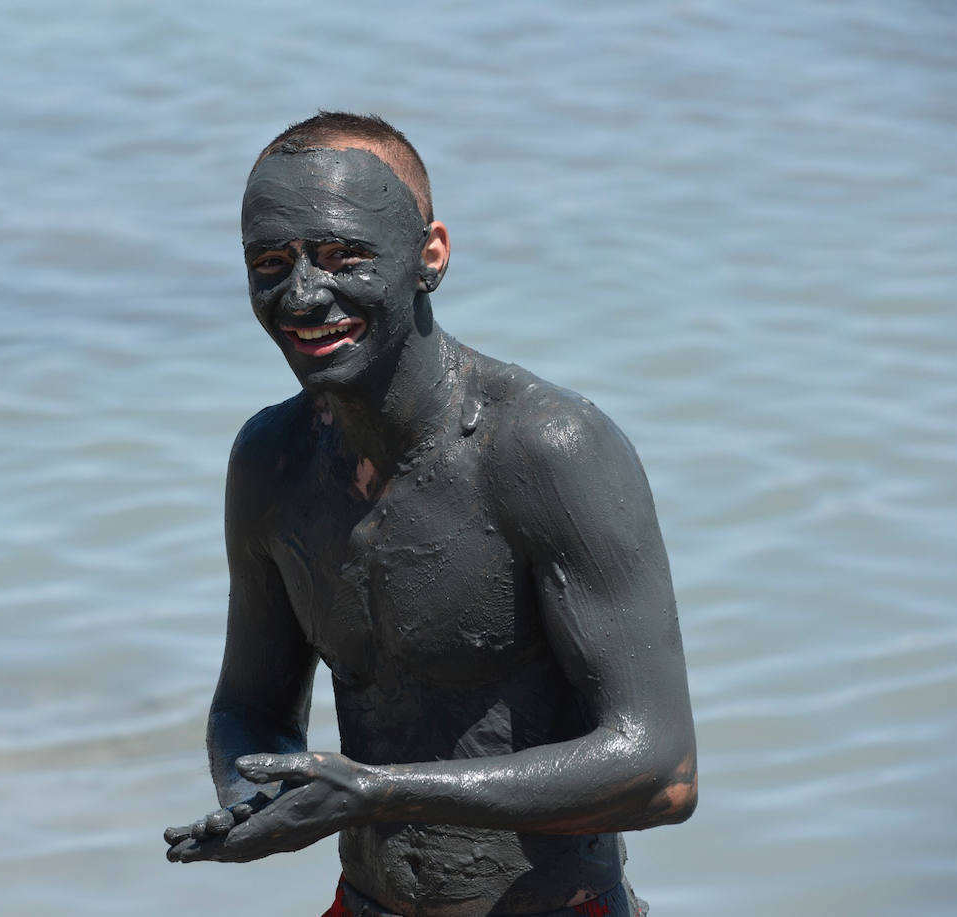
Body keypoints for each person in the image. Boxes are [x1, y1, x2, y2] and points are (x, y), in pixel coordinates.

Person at [163, 112, 697, 917]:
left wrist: (378, 794)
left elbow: (660, 771)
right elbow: (252, 705)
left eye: (345, 256)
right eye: (271, 263)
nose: (303, 295)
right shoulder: (270, 461)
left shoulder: (547, 448)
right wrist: (255, 790)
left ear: (430, 255)